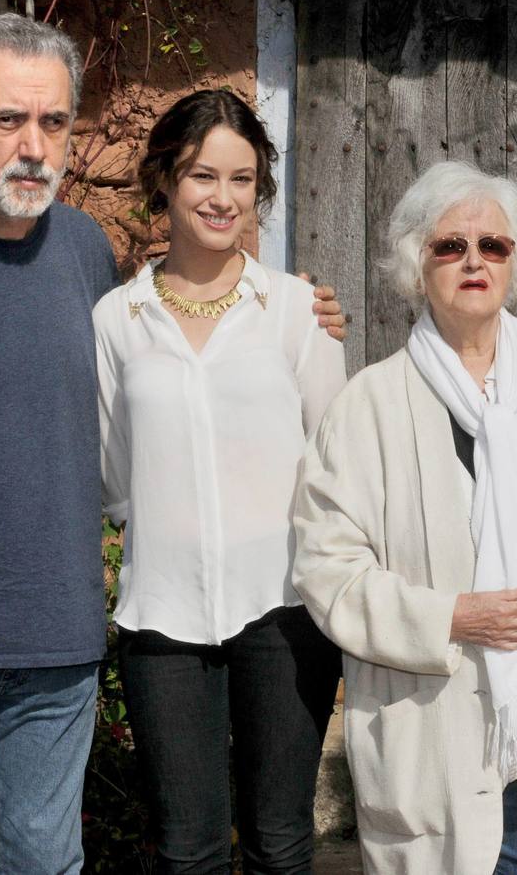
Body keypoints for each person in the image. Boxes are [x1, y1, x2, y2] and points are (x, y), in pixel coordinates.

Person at [0, 16, 343, 873]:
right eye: (6, 119)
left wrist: (302, 310)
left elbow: (130, 441)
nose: (32, 146)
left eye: (53, 123)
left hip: (59, 645)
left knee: (49, 865)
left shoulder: (87, 255)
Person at [291, 160, 517, 874]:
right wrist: (449, 619)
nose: (473, 260)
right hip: (435, 752)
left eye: (494, 245)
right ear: (415, 263)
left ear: (516, 265)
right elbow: (326, 568)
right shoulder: (368, 407)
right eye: (449, 245)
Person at [94, 88, 346, 874]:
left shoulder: (300, 311)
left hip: (285, 612)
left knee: (279, 843)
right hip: (162, 619)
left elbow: (335, 464)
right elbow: (115, 474)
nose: (224, 198)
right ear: (166, 178)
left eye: (243, 179)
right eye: (205, 175)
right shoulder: (114, 320)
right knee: (187, 851)